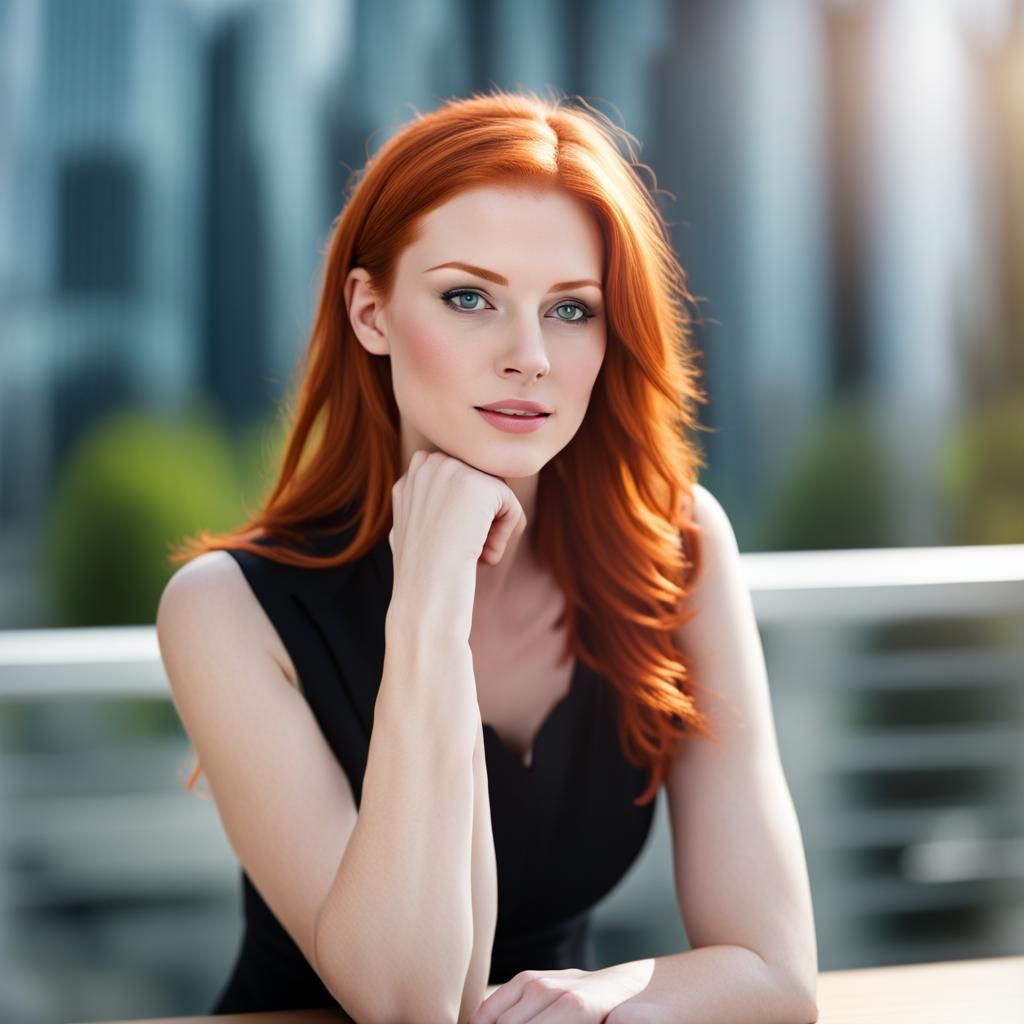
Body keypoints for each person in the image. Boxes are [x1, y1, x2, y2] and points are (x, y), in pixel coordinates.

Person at [156, 89, 819, 1024]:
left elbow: (777, 978)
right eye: (469, 298)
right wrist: (430, 600)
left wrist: (606, 999)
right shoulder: (224, 609)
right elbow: (409, 1002)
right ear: (371, 311)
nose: (530, 356)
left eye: (572, 309)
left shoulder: (678, 549)